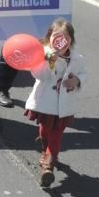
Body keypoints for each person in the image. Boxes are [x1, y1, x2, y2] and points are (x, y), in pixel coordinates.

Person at [24, 18, 86, 188]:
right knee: (45, 131)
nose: (61, 42)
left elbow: (83, 72)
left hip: (65, 104)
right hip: (46, 103)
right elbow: (40, 75)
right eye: (56, 37)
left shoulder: (77, 58)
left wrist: (78, 81)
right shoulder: (43, 54)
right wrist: (50, 59)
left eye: (65, 38)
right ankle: (45, 149)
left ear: (70, 40)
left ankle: (47, 167)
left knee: (57, 133)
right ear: (50, 37)